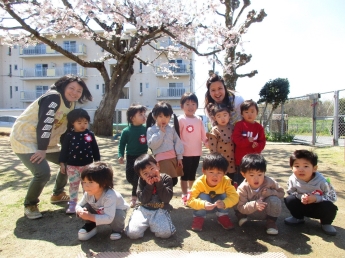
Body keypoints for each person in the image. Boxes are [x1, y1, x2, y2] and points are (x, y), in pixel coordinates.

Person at [10, 75, 92, 220]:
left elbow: (65, 130)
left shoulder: (71, 104)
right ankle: (30, 204)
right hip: (26, 139)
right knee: (42, 173)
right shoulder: (53, 97)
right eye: (71, 88)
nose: (75, 92)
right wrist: (41, 149)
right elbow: (45, 124)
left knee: (69, 163)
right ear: (63, 86)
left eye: (79, 90)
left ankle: (57, 194)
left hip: (47, 143)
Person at [284, 150, 338, 236]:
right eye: (297, 166)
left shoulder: (322, 182)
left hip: (319, 207)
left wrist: (316, 198)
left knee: (330, 207)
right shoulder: (292, 179)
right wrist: (300, 196)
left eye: (305, 166)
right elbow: (291, 192)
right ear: (291, 168)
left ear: (314, 168)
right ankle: (298, 218)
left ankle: (326, 223)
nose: (301, 169)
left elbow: (332, 197)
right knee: (289, 199)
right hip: (302, 204)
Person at [59, 108, 100, 214]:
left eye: (85, 123)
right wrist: (62, 163)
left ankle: (88, 203)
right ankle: (73, 203)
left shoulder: (89, 134)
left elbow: (95, 149)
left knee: (87, 185)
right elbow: (64, 150)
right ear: (73, 123)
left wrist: (97, 162)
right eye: (79, 122)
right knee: (73, 185)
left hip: (87, 166)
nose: (83, 125)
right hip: (72, 166)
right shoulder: (69, 136)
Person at [126, 154, 176, 239]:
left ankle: (154, 224)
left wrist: (159, 183)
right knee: (133, 234)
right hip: (143, 209)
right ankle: (145, 223)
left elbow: (166, 199)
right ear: (141, 176)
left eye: (152, 169)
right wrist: (149, 186)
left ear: (158, 166)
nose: (150, 174)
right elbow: (143, 200)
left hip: (160, 210)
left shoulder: (166, 178)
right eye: (145, 173)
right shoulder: (141, 181)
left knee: (165, 234)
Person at [76, 162, 130, 241]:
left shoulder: (110, 195)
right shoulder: (88, 193)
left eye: (91, 182)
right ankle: (91, 225)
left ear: (104, 183)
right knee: (85, 207)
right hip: (100, 211)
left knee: (118, 214)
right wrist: (79, 210)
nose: (86, 186)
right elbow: (79, 205)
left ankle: (117, 230)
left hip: (114, 214)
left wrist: (89, 216)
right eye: (84, 182)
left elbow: (109, 218)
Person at [187, 153, 239, 232]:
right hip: (204, 205)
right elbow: (189, 200)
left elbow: (235, 197)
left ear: (224, 173)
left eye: (219, 173)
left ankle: (222, 215)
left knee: (225, 195)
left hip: (219, 204)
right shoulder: (199, 182)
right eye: (211, 172)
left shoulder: (226, 181)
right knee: (202, 195)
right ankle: (199, 217)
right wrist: (203, 204)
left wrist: (225, 203)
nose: (215, 176)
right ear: (204, 171)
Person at [236, 154, 285, 235]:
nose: (256, 178)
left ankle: (271, 222)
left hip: (266, 211)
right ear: (243, 174)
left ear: (264, 172)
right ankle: (241, 217)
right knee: (234, 197)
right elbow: (241, 207)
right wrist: (255, 204)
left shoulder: (269, 182)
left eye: (260, 174)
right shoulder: (242, 188)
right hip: (250, 212)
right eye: (251, 175)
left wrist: (271, 192)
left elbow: (282, 193)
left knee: (274, 199)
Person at [178, 93, 208, 205]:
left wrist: (207, 142)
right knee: (184, 175)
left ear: (197, 106)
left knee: (192, 174)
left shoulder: (199, 119)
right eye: (187, 104)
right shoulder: (180, 119)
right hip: (184, 153)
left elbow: (203, 135)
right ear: (182, 106)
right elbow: (177, 137)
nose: (191, 106)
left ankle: (192, 193)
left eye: (193, 104)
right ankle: (184, 194)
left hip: (196, 152)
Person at [146, 101, 184, 186]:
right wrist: (160, 133)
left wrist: (179, 157)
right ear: (155, 116)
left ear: (170, 117)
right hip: (161, 160)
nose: (164, 119)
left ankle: (166, 195)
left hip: (173, 158)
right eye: (160, 116)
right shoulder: (151, 130)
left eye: (167, 116)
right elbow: (152, 145)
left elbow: (177, 141)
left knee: (174, 180)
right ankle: (163, 196)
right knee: (166, 181)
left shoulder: (171, 128)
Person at [118, 104, 148, 208]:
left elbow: (152, 142)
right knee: (130, 177)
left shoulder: (146, 129)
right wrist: (120, 155)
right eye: (140, 114)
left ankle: (134, 198)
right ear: (132, 118)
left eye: (144, 114)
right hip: (131, 157)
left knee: (138, 177)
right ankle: (139, 190)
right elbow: (121, 144)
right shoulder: (126, 131)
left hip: (143, 157)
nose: (144, 116)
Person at [232, 100, 266, 186]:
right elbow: (236, 140)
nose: (249, 114)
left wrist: (257, 146)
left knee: (254, 181)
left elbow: (262, 142)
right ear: (242, 114)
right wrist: (247, 141)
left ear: (257, 113)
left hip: (254, 161)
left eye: (252, 111)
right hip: (240, 161)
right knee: (240, 182)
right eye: (246, 112)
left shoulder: (259, 127)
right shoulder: (239, 125)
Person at [206, 103, 236, 184]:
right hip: (220, 162)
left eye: (225, 115)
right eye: (219, 116)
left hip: (232, 161)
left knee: (231, 181)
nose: (222, 118)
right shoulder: (215, 130)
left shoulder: (233, 128)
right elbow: (212, 148)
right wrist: (215, 162)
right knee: (221, 181)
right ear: (214, 118)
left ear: (229, 115)